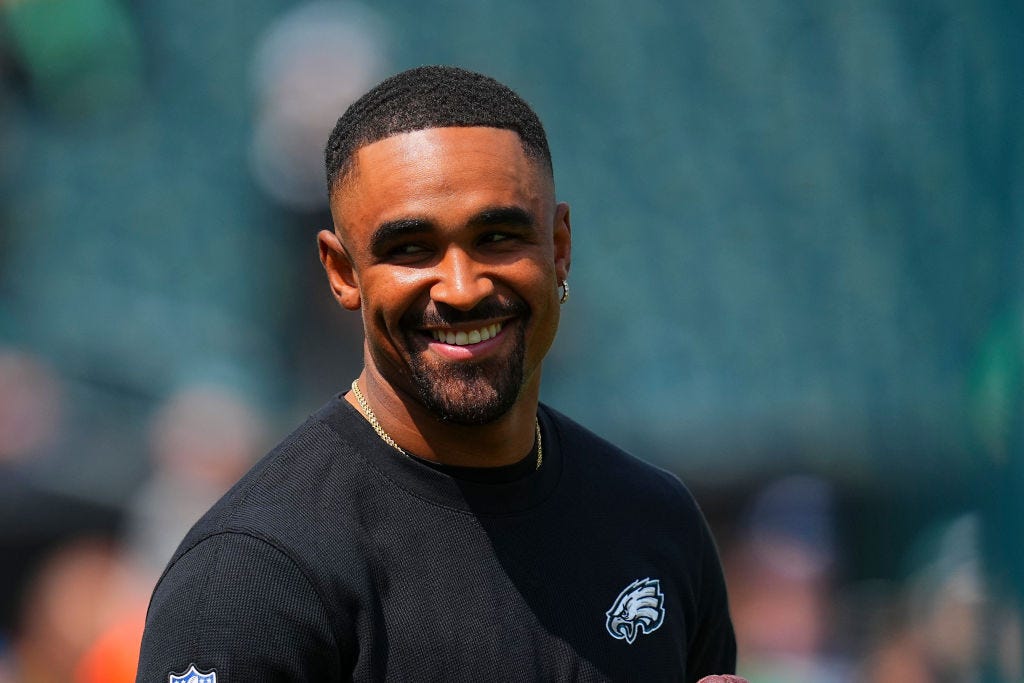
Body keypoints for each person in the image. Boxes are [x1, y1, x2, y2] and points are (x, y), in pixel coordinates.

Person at [136, 65, 737, 682]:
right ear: (343, 273)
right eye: (411, 249)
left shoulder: (656, 523)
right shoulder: (253, 574)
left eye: (498, 236)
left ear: (559, 247)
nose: (461, 289)